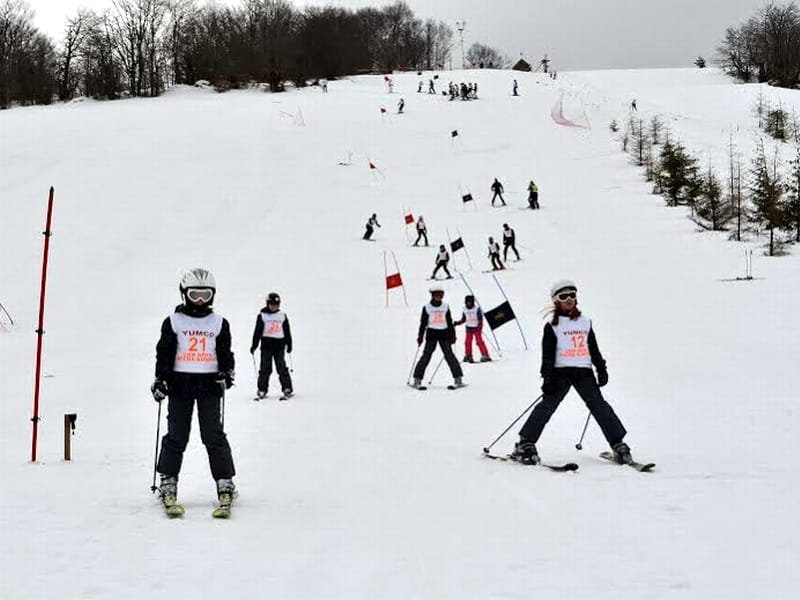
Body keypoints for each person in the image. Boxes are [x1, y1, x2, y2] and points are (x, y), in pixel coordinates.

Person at [510, 280, 634, 465]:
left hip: (583, 371)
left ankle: (619, 445)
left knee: (599, 406)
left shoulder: (585, 322)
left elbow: (593, 347)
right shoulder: (552, 326)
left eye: (572, 295)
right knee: (547, 406)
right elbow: (548, 355)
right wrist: (547, 378)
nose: (569, 299)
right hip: (561, 372)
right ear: (556, 301)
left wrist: (601, 368)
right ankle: (525, 443)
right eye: (563, 296)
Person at [150, 268, 236, 509]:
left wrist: (226, 373)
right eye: (195, 294)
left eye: (205, 295)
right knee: (177, 434)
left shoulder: (219, 323)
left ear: (213, 296)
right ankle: (168, 480)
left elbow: (224, 352)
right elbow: (164, 353)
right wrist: (161, 379)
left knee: (213, 435)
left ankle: (225, 481)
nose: (200, 301)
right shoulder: (174, 321)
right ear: (184, 294)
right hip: (180, 384)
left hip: (208, 385)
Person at [411, 285, 464, 388]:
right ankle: (417, 380)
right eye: (437, 295)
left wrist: (452, 335)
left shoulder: (445, 307)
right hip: (431, 333)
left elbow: (449, 321)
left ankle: (458, 379)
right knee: (426, 356)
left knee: (449, 355)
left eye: (441, 295)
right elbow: (423, 324)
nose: (439, 297)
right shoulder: (427, 308)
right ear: (432, 295)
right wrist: (420, 336)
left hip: (444, 333)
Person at [250, 292, 293, 400]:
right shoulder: (262, 316)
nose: (274, 307)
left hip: (279, 346)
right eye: (272, 304)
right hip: (266, 346)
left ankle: (287, 388)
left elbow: (287, 330)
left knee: (281, 368)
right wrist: (254, 345)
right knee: (265, 369)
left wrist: (289, 343)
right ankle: (262, 389)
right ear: (268, 304)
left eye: (277, 305)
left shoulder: (282, 316)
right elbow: (258, 332)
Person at [454, 295, 491, 363]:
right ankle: (468, 356)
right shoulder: (464, 309)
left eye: (470, 302)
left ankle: (485, 355)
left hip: (476, 327)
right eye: (468, 302)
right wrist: (457, 323)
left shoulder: (476, 309)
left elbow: (480, 319)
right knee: (467, 342)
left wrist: (479, 326)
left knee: (479, 341)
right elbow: (464, 319)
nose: (469, 303)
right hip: (469, 328)